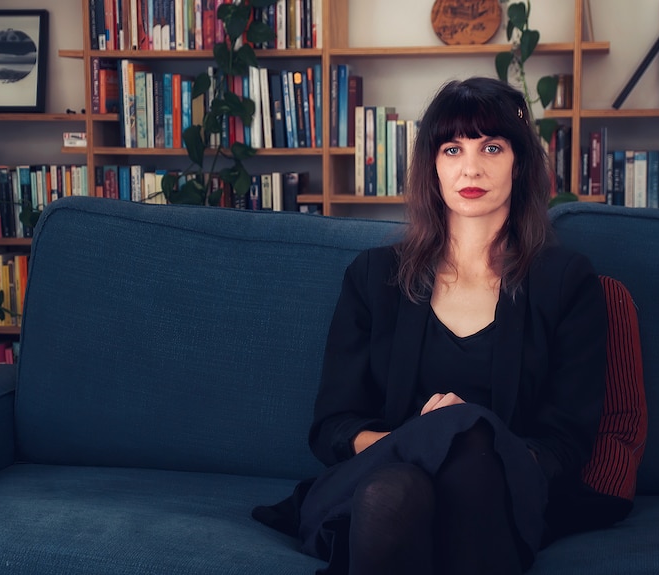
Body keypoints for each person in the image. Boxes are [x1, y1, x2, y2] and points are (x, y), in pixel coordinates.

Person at [253, 76, 610, 575]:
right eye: (451, 148)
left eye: (491, 146)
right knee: (394, 490)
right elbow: (333, 428)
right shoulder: (373, 277)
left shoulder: (566, 282)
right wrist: (433, 437)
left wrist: (467, 437)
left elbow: (565, 444)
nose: (471, 166)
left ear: (519, 163)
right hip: (388, 483)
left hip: (504, 496)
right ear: (432, 167)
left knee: (468, 434)